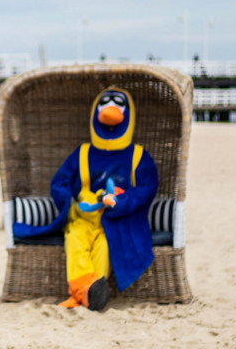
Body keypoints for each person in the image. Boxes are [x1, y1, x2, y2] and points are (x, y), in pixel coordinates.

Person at [13, 87, 158, 310]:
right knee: (75, 241)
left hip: (116, 221)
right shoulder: (82, 153)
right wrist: (69, 203)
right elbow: (58, 182)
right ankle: (84, 291)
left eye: (117, 102)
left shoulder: (139, 155)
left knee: (105, 247)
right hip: (83, 217)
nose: (111, 107)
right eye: (106, 101)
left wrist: (121, 201)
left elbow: (147, 188)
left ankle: (90, 294)